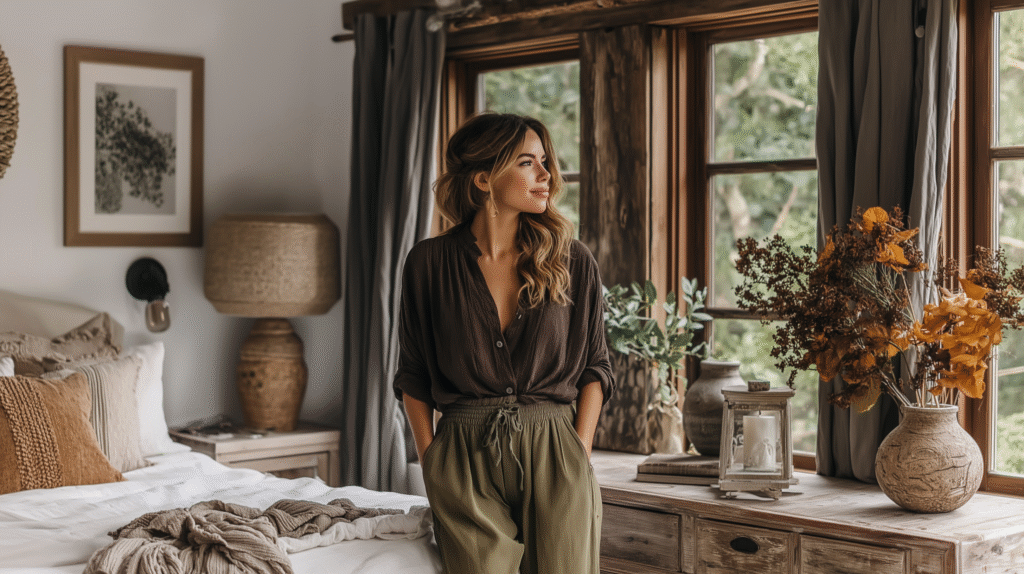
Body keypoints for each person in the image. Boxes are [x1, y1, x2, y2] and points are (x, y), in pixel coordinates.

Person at [393, 112, 615, 574]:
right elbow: (413, 373)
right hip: (463, 453)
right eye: (527, 163)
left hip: (556, 450)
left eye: (545, 162)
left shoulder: (572, 259)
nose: (546, 175)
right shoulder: (429, 264)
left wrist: (579, 449)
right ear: (483, 178)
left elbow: (596, 365)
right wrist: (432, 458)